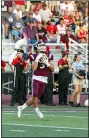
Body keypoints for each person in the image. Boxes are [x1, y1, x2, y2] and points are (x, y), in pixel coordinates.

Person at [17, 42, 54, 118]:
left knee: (35, 98)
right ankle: (37, 110)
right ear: (37, 48)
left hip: (44, 79)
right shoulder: (34, 56)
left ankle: (21, 108)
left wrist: (47, 63)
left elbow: (53, 69)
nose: (43, 47)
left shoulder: (49, 55)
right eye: (41, 46)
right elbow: (34, 68)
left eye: (43, 46)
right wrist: (37, 58)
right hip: (36, 78)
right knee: (35, 95)